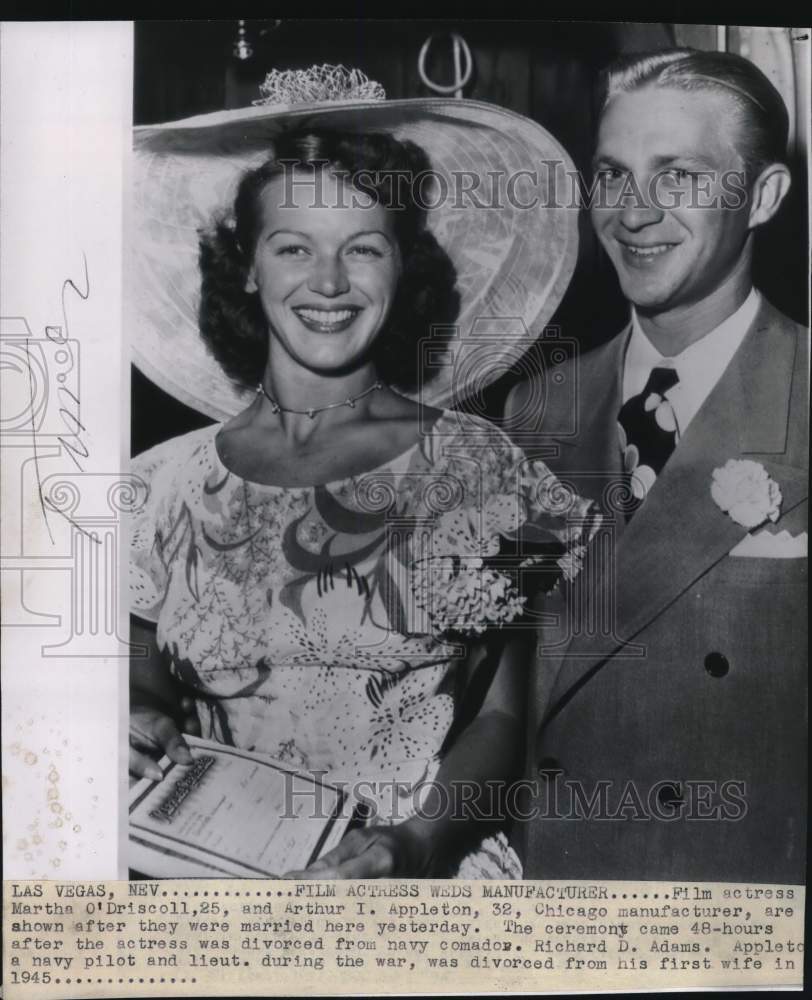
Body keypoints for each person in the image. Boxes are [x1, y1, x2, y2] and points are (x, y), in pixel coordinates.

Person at [128, 70, 587, 878]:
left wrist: (411, 843)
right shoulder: (159, 485)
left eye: (363, 248)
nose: (330, 282)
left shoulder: (482, 469)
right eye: (294, 246)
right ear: (246, 267)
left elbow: (508, 715)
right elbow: (146, 689)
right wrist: (139, 726)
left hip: (417, 879)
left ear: (401, 268)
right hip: (204, 884)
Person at [506, 48, 808, 883]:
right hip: (552, 897)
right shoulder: (537, 411)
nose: (633, 213)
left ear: (766, 196)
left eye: (677, 176)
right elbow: (498, 691)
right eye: (612, 175)